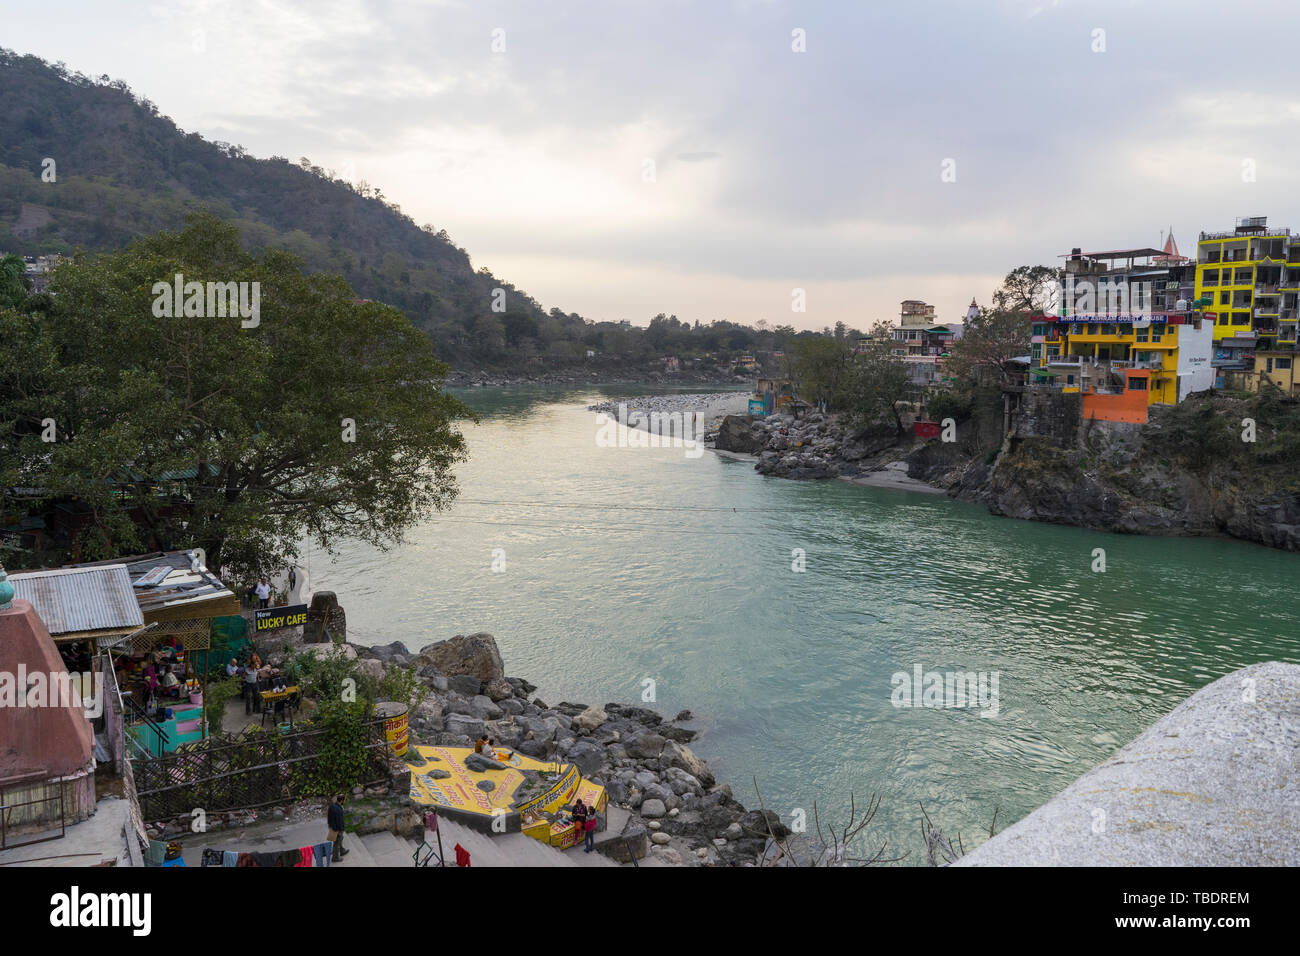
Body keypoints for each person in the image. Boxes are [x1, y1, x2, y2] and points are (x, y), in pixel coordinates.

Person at [327, 793, 348, 861]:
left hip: (332, 826)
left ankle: (342, 850)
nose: (345, 801)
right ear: (342, 800)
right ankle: (335, 857)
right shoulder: (338, 810)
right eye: (344, 799)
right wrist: (341, 830)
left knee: (340, 839)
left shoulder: (333, 806)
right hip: (337, 828)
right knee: (337, 842)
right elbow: (339, 821)